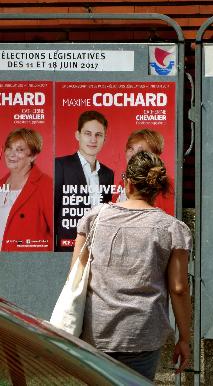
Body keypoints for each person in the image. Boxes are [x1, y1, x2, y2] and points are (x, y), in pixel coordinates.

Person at [70, 151, 191, 380]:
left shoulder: (94, 218)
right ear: (157, 187)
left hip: (97, 331)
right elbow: (178, 288)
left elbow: (76, 274)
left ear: (127, 182)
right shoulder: (172, 229)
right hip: (142, 334)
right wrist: (184, 338)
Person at [54, 110, 114, 251]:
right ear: (78, 135)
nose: (93, 140)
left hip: (98, 249)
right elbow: (53, 213)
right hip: (67, 249)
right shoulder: (60, 166)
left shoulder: (107, 174)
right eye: (88, 133)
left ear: (104, 139)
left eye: (98, 135)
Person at [0, 128, 53, 251]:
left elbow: (58, 236)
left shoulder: (46, 186)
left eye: (20, 150)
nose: (11, 154)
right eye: (9, 147)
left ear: (33, 156)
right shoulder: (1, 184)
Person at [113, 129, 173, 213]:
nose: (133, 155)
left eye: (141, 152)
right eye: (131, 148)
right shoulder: (120, 184)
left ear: (155, 156)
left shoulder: (165, 186)